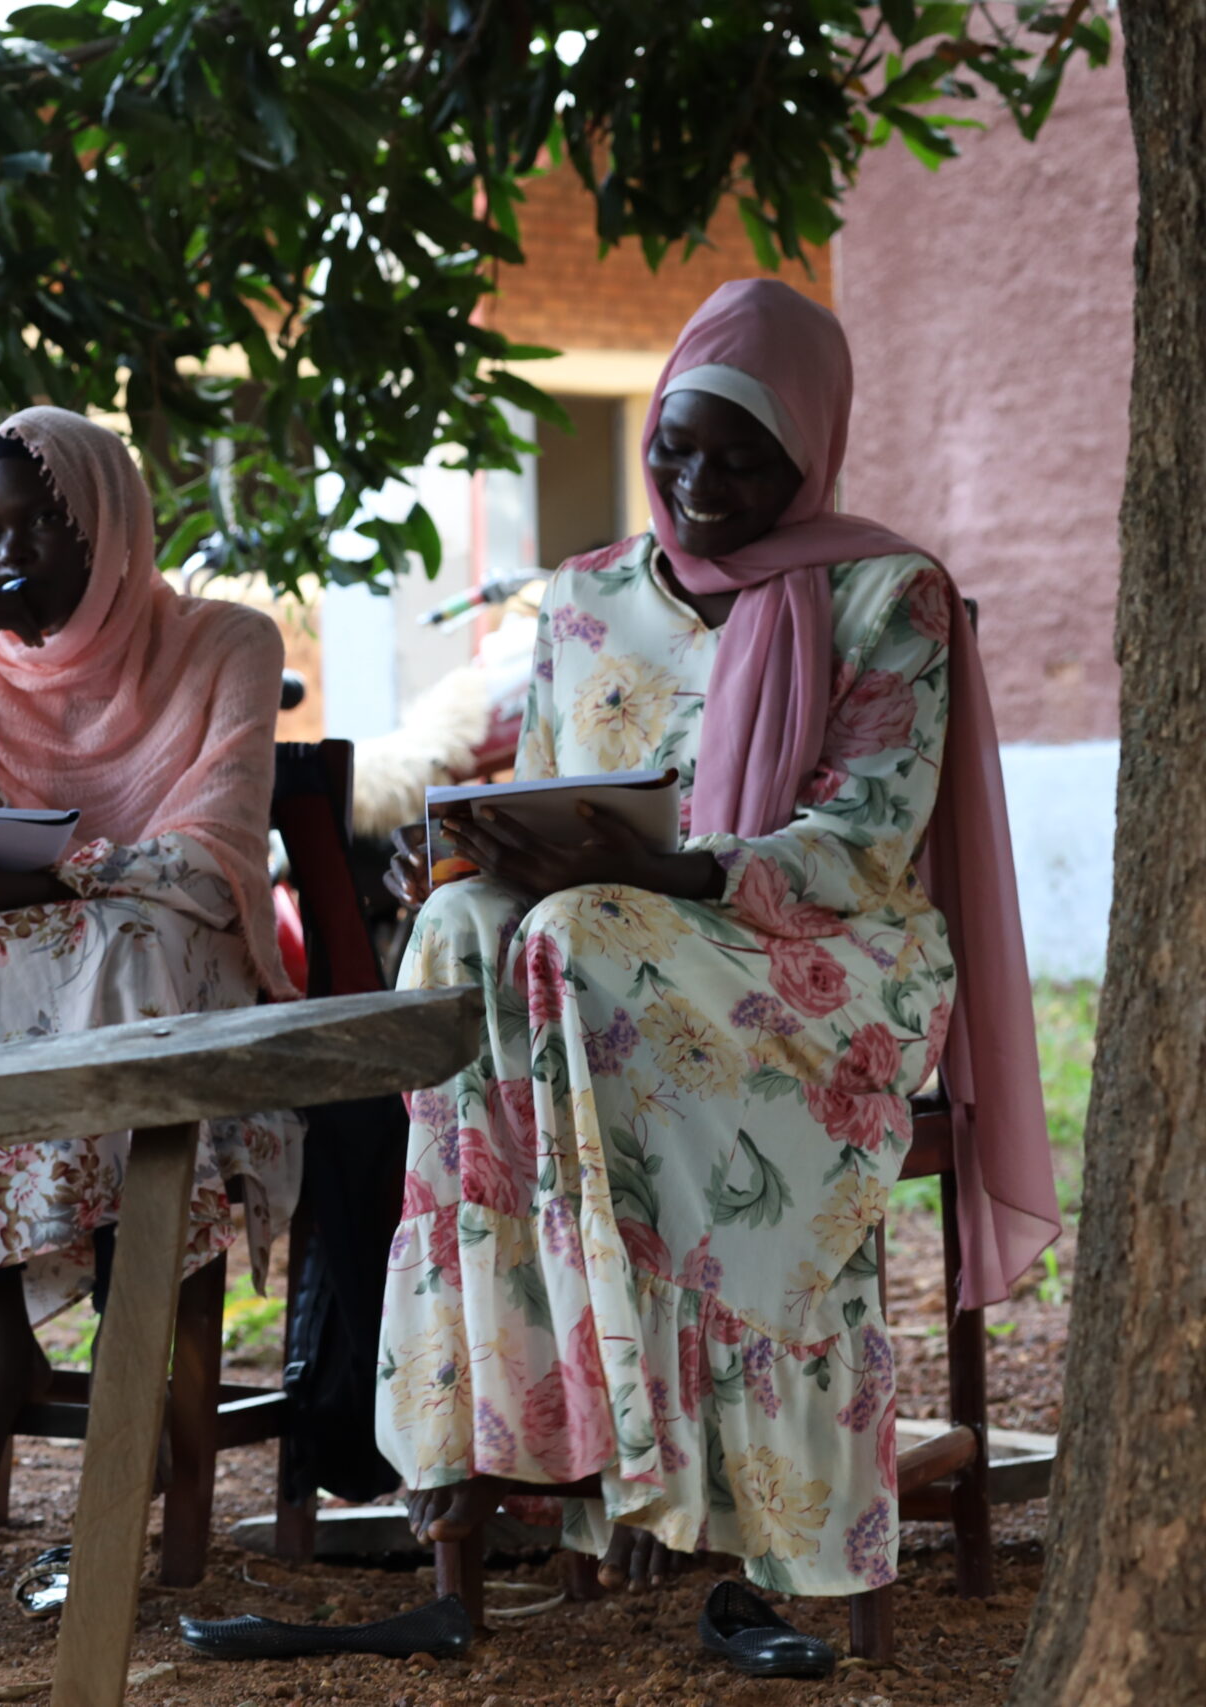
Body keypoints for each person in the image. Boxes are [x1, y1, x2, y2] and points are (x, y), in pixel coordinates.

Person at [378, 280, 1056, 1632]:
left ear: (812, 450)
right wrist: (473, 855)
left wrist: (665, 869)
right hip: (607, 950)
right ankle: (521, 1445)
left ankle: (684, 1470)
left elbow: (865, 842)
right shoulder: (583, 601)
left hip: (823, 955)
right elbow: (566, 809)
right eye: (678, 445)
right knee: (462, 931)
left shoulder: (883, 592)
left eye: (745, 455)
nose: (701, 481)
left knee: (580, 936)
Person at [0, 408, 301, 1519]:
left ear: (109, 527)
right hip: (19, 951)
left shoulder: (228, 644)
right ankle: (0, 1343)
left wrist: (44, 882)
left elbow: (206, 855)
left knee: (125, 943)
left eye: (40, 527)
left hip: (170, 955)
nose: (6, 557)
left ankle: (125, 1377)